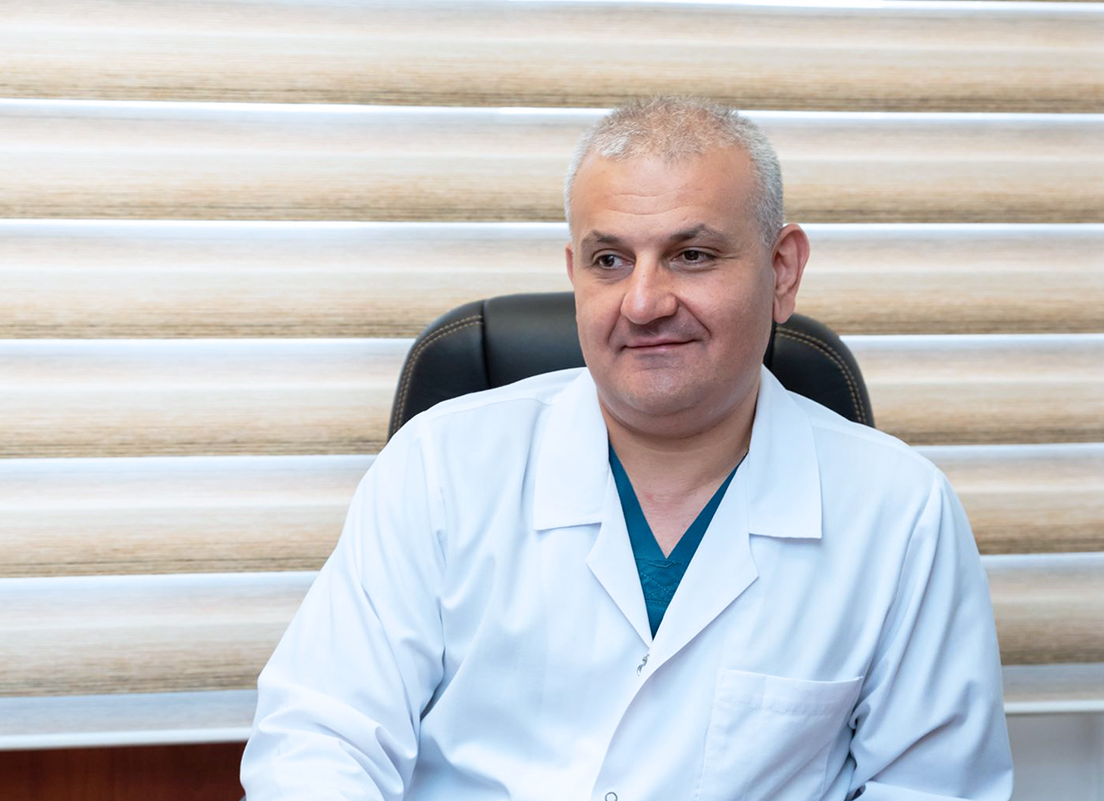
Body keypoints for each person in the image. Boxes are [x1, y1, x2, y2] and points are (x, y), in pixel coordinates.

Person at [241, 97, 1013, 800]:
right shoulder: (439, 466)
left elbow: (933, 788)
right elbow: (318, 741)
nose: (643, 302)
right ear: (574, 274)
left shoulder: (900, 512)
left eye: (692, 255)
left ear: (782, 271)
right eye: (609, 260)